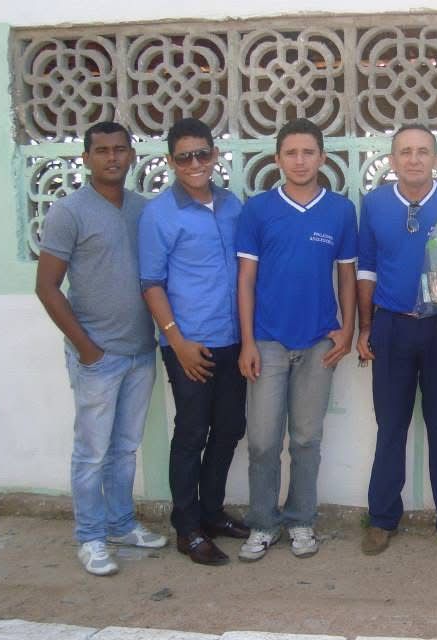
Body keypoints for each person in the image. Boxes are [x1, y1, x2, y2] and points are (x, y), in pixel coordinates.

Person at [36, 121, 167, 576]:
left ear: (131, 155)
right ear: (86, 158)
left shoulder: (142, 210)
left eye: (120, 149)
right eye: (102, 150)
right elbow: (47, 287)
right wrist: (87, 349)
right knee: (91, 453)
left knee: (125, 448)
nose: (112, 157)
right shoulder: (68, 212)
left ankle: (121, 524)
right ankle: (90, 537)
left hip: (140, 350)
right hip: (98, 355)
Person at [236, 118, 357, 562]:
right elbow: (245, 279)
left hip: (318, 343)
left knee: (306, 439)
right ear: (278, 159)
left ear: (322, 158)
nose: (300, 161)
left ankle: (302, 520)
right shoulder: (258, 209)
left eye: (308, 152)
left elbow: (347, 274)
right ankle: (262, 523)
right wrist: (247, 341)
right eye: (291, 153)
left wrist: (347, 329)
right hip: (267, 341)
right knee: (263, 441)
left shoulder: (340, 210)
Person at [356, 124, 437, 557]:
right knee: (391, 426)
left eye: (423, 151)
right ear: (392, 160)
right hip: (392, 326)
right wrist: (365, 327)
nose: (414, 159)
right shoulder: (374, 203)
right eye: (405, 151)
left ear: (436, 159)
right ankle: (382, 518)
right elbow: (366, 267)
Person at [139, 117, 250, 566]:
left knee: (229, 428)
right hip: (189, 346)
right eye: (184, 157)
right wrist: (177, 342)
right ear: (171, 162)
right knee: (191, 433)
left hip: (232, 340)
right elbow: (151, 283)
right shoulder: (159, 214)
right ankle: (187, 528)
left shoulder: (231, 205)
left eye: (202, 154)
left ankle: (211, 512)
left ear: (214, 155)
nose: (195, 163)